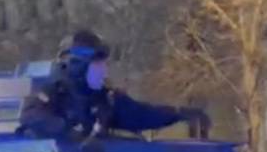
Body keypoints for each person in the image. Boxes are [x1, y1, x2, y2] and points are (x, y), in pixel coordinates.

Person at [18, 30, 205, 140]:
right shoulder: (51, 95)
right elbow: (31, 117)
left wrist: (178, 113)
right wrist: (68, 127)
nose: (104, 72)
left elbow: (141, 115)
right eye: (98, 65)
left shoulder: (105, 99)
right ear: (77, 66)